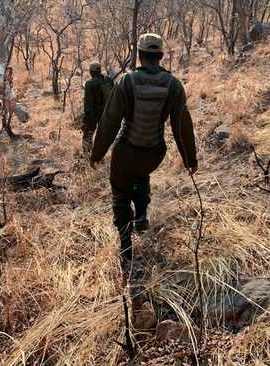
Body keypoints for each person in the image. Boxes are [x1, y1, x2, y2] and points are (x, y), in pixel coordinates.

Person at [89, 33, 198, 272]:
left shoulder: (128, 82)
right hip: (154, 153)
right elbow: (182, 126)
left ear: (140, 55)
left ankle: (126, 246)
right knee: (141, 174)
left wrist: (97, 152)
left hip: (126, 151)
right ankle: (141, 215)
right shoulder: (174, 84)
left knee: (120, 193)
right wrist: (190, 159)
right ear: (160, 56)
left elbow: (110, 122)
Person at [82, 62, 111, 155]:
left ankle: (87, 155)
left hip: (94, 114)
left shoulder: (90, 84)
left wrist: (85, 119)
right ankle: (99, 155)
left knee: (88, 135)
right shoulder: (108, 80)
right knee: (102, 137)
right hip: (107, 113)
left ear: (91, 72)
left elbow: (88, 104)